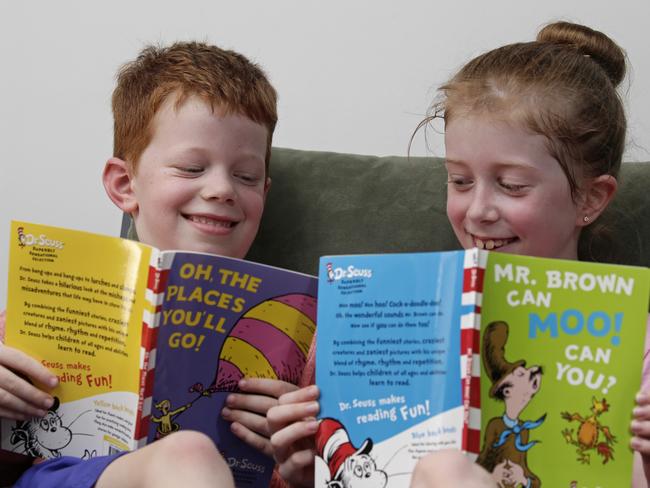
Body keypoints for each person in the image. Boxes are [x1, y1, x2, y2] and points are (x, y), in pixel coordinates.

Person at [266, 20, 650, 487]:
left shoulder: (637, 344)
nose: (479, 210)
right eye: (460, 181)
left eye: (511, 185)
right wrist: (299, 468)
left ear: (590, 199)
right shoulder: (370, 312)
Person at [0, 40, 295, 487]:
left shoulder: (301, 337)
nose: (222, 189)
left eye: (246, 176)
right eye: (192, 169)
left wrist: (299, 447)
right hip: (68, 475)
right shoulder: (34, 317)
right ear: (124, 184)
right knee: (189, 452)